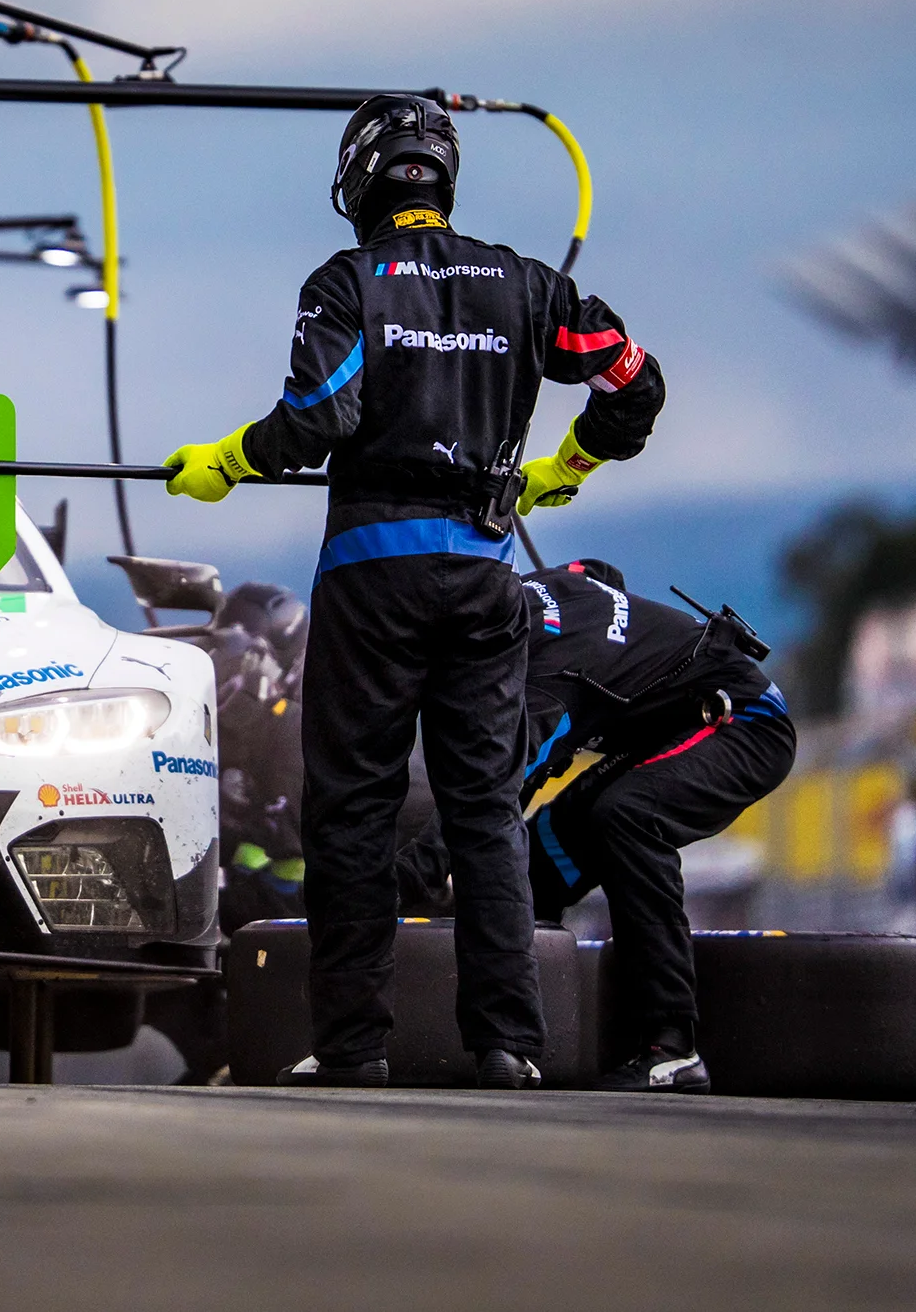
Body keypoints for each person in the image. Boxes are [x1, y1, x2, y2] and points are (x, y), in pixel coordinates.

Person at [164, 94, 664, 1087]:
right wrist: (568, 465)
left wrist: (226, 458)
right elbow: (633, 385)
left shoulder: (348, 282)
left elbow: (316, 418)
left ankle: (351, 1048)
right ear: (444, 177)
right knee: (483, 809)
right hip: (483, 578)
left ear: (359, 181)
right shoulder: (528, 287)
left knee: (349, 809)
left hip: (371, 577)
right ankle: (510, 1046)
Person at [399, 560, 793, 1092]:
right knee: (540, 856)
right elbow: (600, 572)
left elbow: (491, 795)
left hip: (741, 720)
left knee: (627, 817)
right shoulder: (529, 588)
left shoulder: (548, 684)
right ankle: (536, 1040)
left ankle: (672, 1047)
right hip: (660, 729)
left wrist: (403, 880)